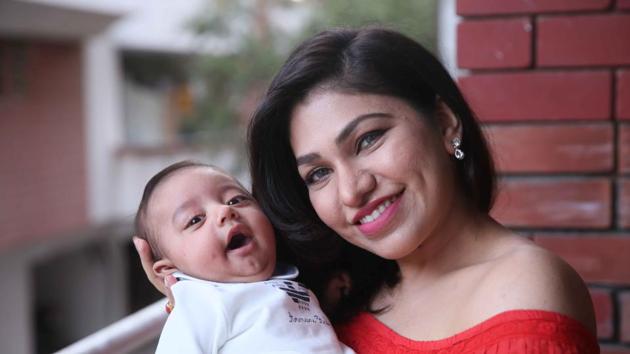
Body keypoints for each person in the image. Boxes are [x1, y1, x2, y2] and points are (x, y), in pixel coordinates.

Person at [136, 27, 599, 353]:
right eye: (318, 174)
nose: (352, 190)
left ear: (443, 123)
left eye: (368, 139)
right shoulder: (341, 281)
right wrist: (198, 289)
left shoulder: (526, 291)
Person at [134, 160, 354, 354]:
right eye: (195, 220)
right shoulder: (202, 302)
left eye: (235, 200)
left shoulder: (288, 282)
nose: (225, 211)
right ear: (169, 270)